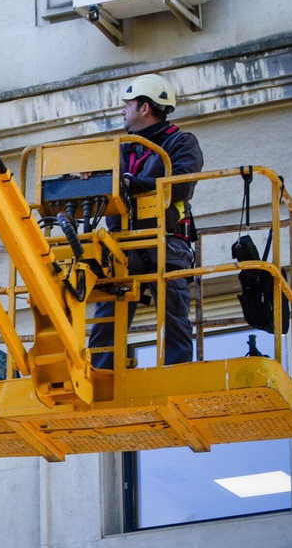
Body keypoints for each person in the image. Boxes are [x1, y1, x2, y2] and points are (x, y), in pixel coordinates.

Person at [86, 73, 203, 370]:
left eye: (128, 105)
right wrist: (85, 176)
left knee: (173, 308)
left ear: (145, 108)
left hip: (165, 239)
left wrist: (135, 182)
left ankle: (176, 372)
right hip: (122, 244)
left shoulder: (181, 143)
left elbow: (180, 184)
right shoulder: (122, 147)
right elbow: (101, 182)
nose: (123, 111)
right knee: (108, 313)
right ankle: (100, 374)